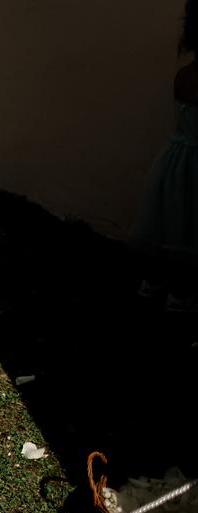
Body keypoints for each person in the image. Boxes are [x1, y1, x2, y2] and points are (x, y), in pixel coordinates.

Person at [132, 0, 197, 312]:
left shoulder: (183, 75)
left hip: (173, 159)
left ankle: (153, 283)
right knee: (187, 230)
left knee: (168, 225)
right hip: (195, 163)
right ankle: (180, 295)